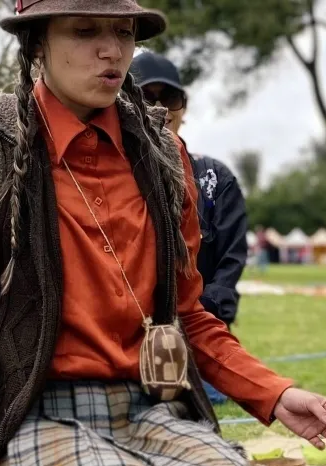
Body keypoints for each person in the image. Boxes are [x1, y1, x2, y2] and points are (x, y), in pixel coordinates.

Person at [0, 0, 326, 466]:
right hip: (32, 414)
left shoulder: (165, 156)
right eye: (85, 30)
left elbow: (190, 316)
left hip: (150, 408)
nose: (111, 50)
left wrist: (274, 394)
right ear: (36, 43)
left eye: (123, 32)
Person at [131, 49, 247, 405]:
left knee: (207, 399)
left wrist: (194, 329)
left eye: (171, 97)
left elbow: (230, 265)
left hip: (196, 335)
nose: (161, 108)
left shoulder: (215, 179)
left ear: (185, 106)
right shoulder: (100, 176)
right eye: (146, 96)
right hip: (124, 343)